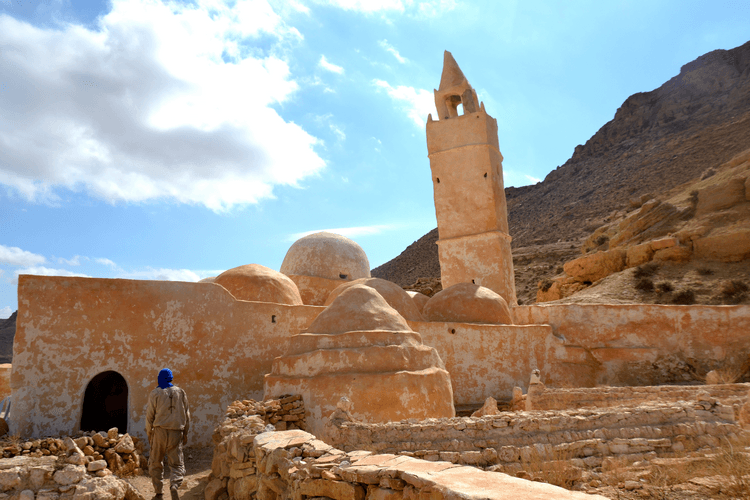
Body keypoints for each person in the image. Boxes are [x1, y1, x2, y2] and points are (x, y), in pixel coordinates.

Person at [146, 368, 190, 500]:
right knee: (176, 462)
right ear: (171, 378)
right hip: (176, 431)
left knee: (156, 461)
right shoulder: (180, 392)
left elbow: (150, 416)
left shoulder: (155, 393)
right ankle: (174, 485)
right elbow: (187, 414)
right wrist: (185, 432)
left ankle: (159, 491)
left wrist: (149, 433)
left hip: (159, 431)